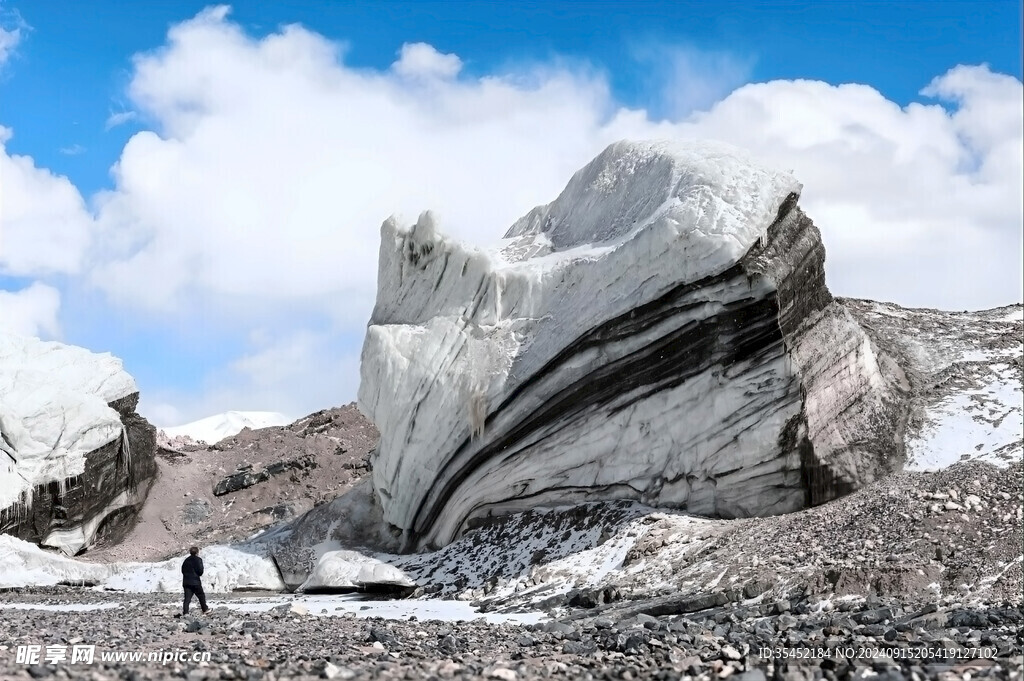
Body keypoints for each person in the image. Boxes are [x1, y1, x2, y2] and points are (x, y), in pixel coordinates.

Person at [179, 546, 209, 616]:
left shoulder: (186, 560)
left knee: (187, 598)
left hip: (186, 582)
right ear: (197, 552)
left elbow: (182, 571)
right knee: (201, 595)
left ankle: (185, 612)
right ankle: (205, 609)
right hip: (195, 582)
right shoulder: (198, 560)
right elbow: (200, 572)